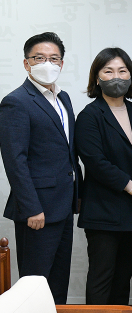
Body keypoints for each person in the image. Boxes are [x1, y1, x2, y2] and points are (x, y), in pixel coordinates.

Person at [0, 32, 80, 304]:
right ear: (26, 63)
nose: (48, 63)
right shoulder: (16, 101)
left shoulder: (63, 98)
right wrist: (32, 208)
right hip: (38, 211)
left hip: (64, 205)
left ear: (62, 63)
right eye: (39, 58)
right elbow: (15, 160)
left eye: (54, 58)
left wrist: (77, 194)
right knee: (35, 286)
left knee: (58, 283)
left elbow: (68, 152)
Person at [75, 48, 132, 305]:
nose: (116, 77)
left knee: (123, 279)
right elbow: (95, 162)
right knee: (102, 278)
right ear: (97, 79)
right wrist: (130, 186)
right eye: (108, 71)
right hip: (103, 213)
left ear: (131, 76)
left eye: (122, 71)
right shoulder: (89, 116)